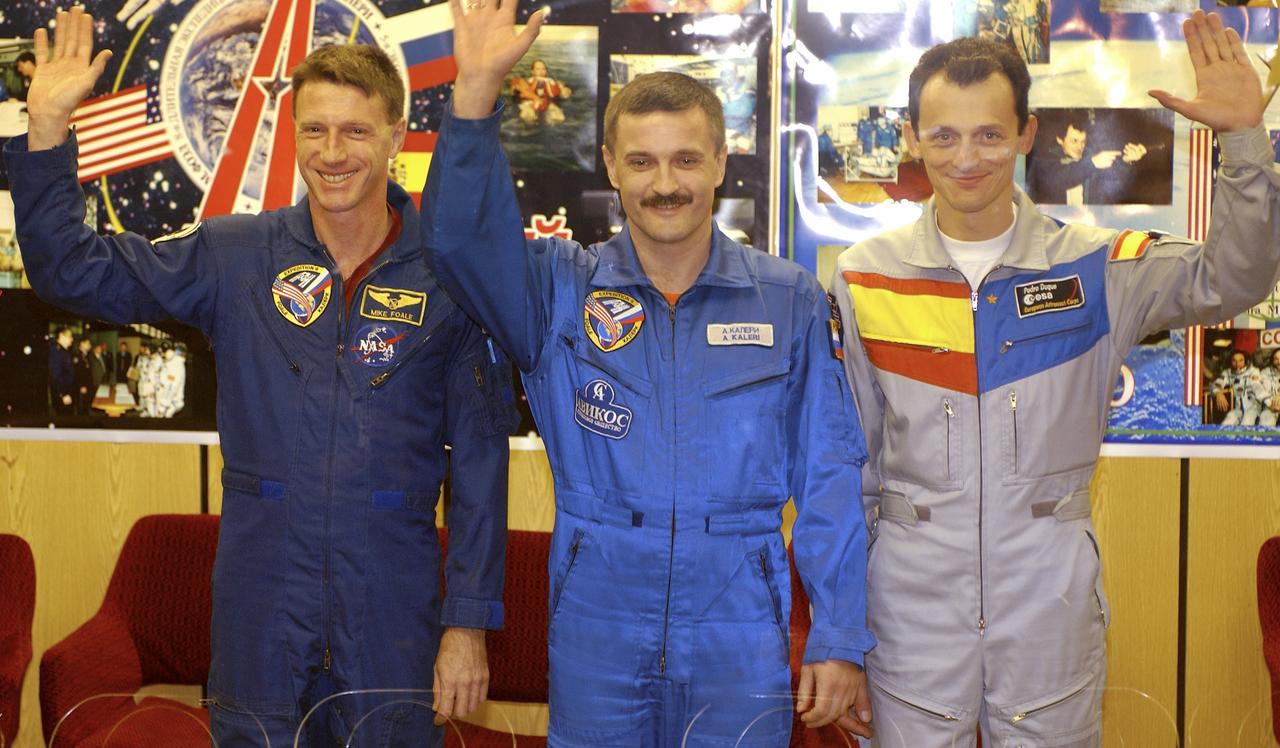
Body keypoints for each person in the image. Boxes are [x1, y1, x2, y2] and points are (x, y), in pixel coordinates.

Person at [5, 9, 513, 745]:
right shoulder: (235, 256)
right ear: (293, 134)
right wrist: (48, 131)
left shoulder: (450, 278)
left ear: (397, 137)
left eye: (355, 131)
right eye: (314, 130)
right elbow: (70, 270)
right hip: (263, 607)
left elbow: (478, 462)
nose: (332, 152)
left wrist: (467, 622)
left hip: (393, 610)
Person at [424, 1, 875, 745]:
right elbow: (456, 245)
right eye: (642, 161)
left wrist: (838, 634)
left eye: (686, 159)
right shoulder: (556, 290)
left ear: (722, 162)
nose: (665, 184)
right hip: (598, 618)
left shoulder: (788, 297)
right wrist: (474, 94)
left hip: (739, 622)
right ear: (610, 166)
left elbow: (829, 474)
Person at [829, 14, 1280, 745]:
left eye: (989, 134)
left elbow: (1235, 276)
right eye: (943, 135)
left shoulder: (1098, 266)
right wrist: (841, 635)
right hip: (908, 606)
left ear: (1027, 135)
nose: (966, 157)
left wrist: (1242, 142)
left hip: (1049, 599)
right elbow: (849, 473)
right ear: (910, 138)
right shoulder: (865, 275)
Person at [1026, 118, 1148, 205]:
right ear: (1060, 140)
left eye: (1083, 141)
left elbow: (1114, 180)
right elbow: (1060, 178)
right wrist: (1092, 163)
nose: (1080, 146)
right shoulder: (1045, 159)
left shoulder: (1090, 158)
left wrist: (1126, 161)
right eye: (1074, 141)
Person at [510, 59, 571, 126]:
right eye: (538, 69)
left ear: (546, 72)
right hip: (529, 104)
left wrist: (562, 90)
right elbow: (516, 88)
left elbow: (565, 93)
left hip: (548, 104)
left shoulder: (552, 83)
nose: (541, 72)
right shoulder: (527, 82)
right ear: (532, 71)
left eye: (543, 69)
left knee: (558, 118)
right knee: (527, 117)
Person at [1212, 349, 1264, 426]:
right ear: (1230, 361)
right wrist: (1218, 393)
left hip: (1254, 408)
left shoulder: (1254, 371)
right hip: (1238, 409)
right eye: (1234, 361)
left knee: (1246, 423)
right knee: (1226, 424)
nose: (1237, 364)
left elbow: (1258, 386)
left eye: (1241, 360)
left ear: (1246, 360)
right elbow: (1217, 384)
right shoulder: (1227, 373)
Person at [48, 327, 75, 415]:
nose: (72, 339)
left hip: (68, 392)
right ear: (61, 336)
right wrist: (62, 394)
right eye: (70, 336)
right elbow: (55, 375)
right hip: (63, 395)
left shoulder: (65, 351)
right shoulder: (56, 351)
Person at [1256, 348, 1280, 427]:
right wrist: (1270, 404)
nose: (1279, 362)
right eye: (1276, 359)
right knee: (1265, 422)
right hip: (1270, 407)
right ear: (1272, 360)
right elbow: (1259, 390)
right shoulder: (1264, 373)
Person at [72, 336, 94, 415]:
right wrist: (81, 385)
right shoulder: (77, 355)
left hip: (87, 385)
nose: (90, 346)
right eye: (88, 343)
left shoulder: (86, 355)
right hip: (81, 386)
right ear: (82, 344)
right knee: (81, 408)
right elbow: (77, 372)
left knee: (86, 406)